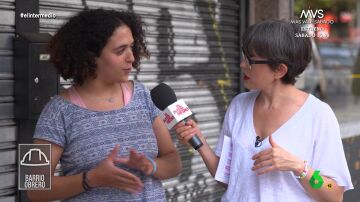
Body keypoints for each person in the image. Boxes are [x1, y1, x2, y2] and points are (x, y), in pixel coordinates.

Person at [175, 20, 353, 202]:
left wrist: (300, 168)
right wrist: (201, 144)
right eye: (244, 56)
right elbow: (230, 180)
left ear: (279, 70)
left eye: (250, 60)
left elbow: (334, 192)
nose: (242, 65)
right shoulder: (238, 105)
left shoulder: (318, 115)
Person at [27, 9, 181, 201]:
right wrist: (91, 179)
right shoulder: (57, 111)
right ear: (91, 56)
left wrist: (151, 165)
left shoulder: (143, 96)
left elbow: (173, 160)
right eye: (120, 50)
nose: (131, 57)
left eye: (132, 47)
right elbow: (33, 187)